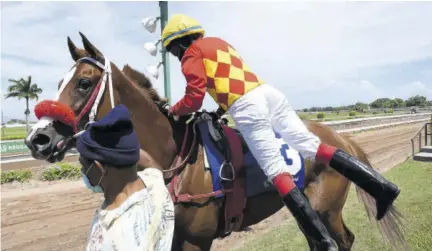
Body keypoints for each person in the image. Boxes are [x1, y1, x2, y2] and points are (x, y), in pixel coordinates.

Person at [161, 14, 401, 250]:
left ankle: (322, 241)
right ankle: (382, 188)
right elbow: (232, 83)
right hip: (269, 95)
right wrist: (219, 112)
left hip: (248, 107)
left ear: (180, 42)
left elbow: (194, 96)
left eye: (174, 51)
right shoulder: (219, 44)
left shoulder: (191, 53)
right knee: (313, 147)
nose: (177, 56)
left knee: (276, 171)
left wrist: (175, 110)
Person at [76, 104, 175, 251]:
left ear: (99, 168)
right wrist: (125, 147)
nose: (83, 171)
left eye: (84, 165)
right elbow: (150, 164)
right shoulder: (155, 185)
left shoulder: (113, 236)